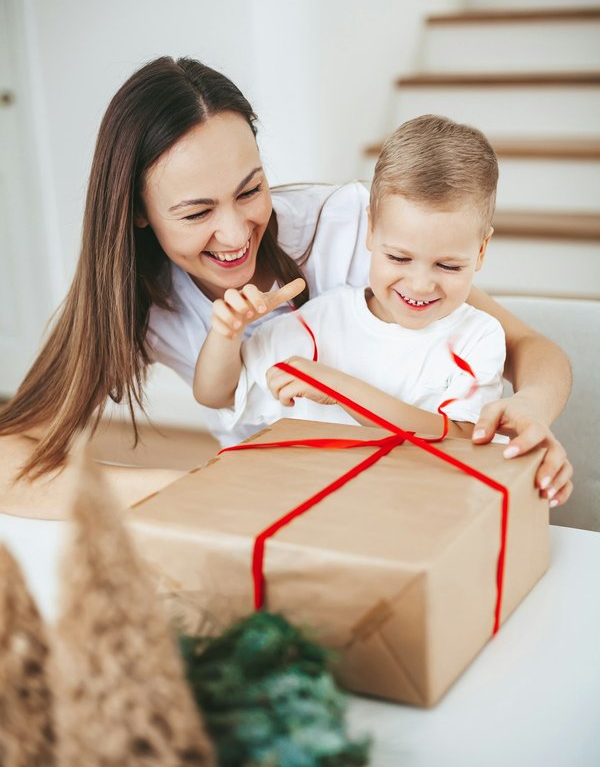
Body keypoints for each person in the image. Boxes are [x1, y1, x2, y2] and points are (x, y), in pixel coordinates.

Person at [0, 57, 572, 509]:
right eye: (197, 212)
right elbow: (10, 457)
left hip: (407, 496)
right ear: (138, 212)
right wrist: (182, 487)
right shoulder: (135, 299)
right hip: (273, 508)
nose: (234, 233)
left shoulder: (351, 231)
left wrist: (530, 412)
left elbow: (529, 348)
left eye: (250, 191)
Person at [194, 114, 507, 440]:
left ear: (482, 251)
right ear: (370, 230)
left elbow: (459, 436)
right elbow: (218, 395)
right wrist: (225, 335)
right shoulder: (319, 323)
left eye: (448, 266)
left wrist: (339, 388)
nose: (420, 284)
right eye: (399, 258)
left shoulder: (479, 337)